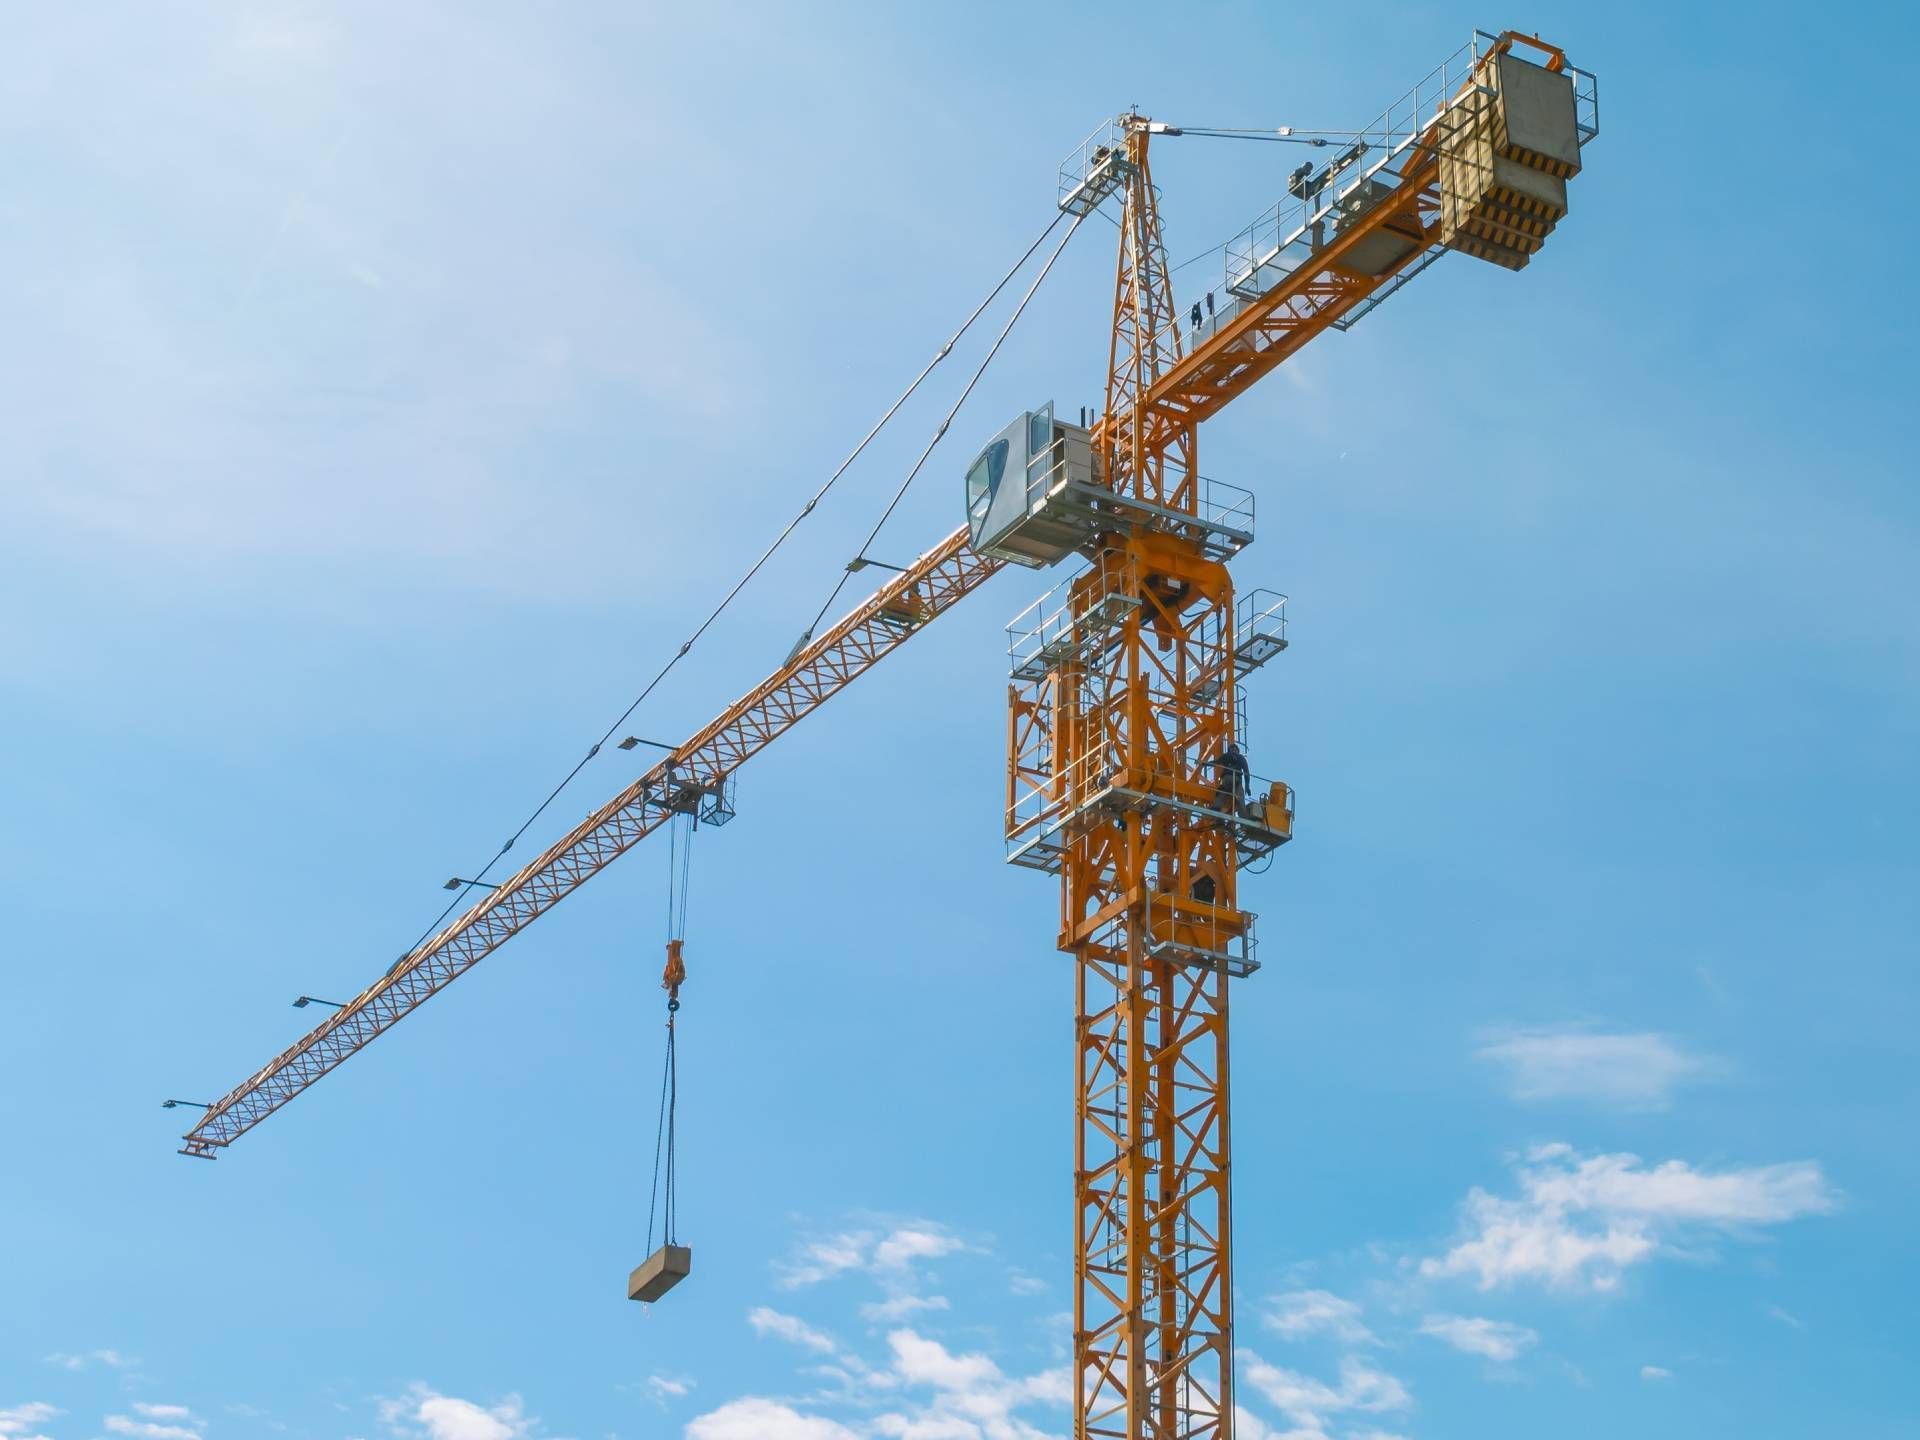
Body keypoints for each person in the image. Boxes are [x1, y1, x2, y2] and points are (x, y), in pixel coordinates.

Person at [1213, 740, 1249, 815]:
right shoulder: (1240, 758)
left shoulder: (1227, 756)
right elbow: (1246, 772)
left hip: (1228, 779)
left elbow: (1216, 762)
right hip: (1236, 780)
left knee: (1222, 793)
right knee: (1240, 800)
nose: (1234, 751)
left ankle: (1216, 809)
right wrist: (1247, 786)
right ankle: (1244, 819)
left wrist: (1204, 763)